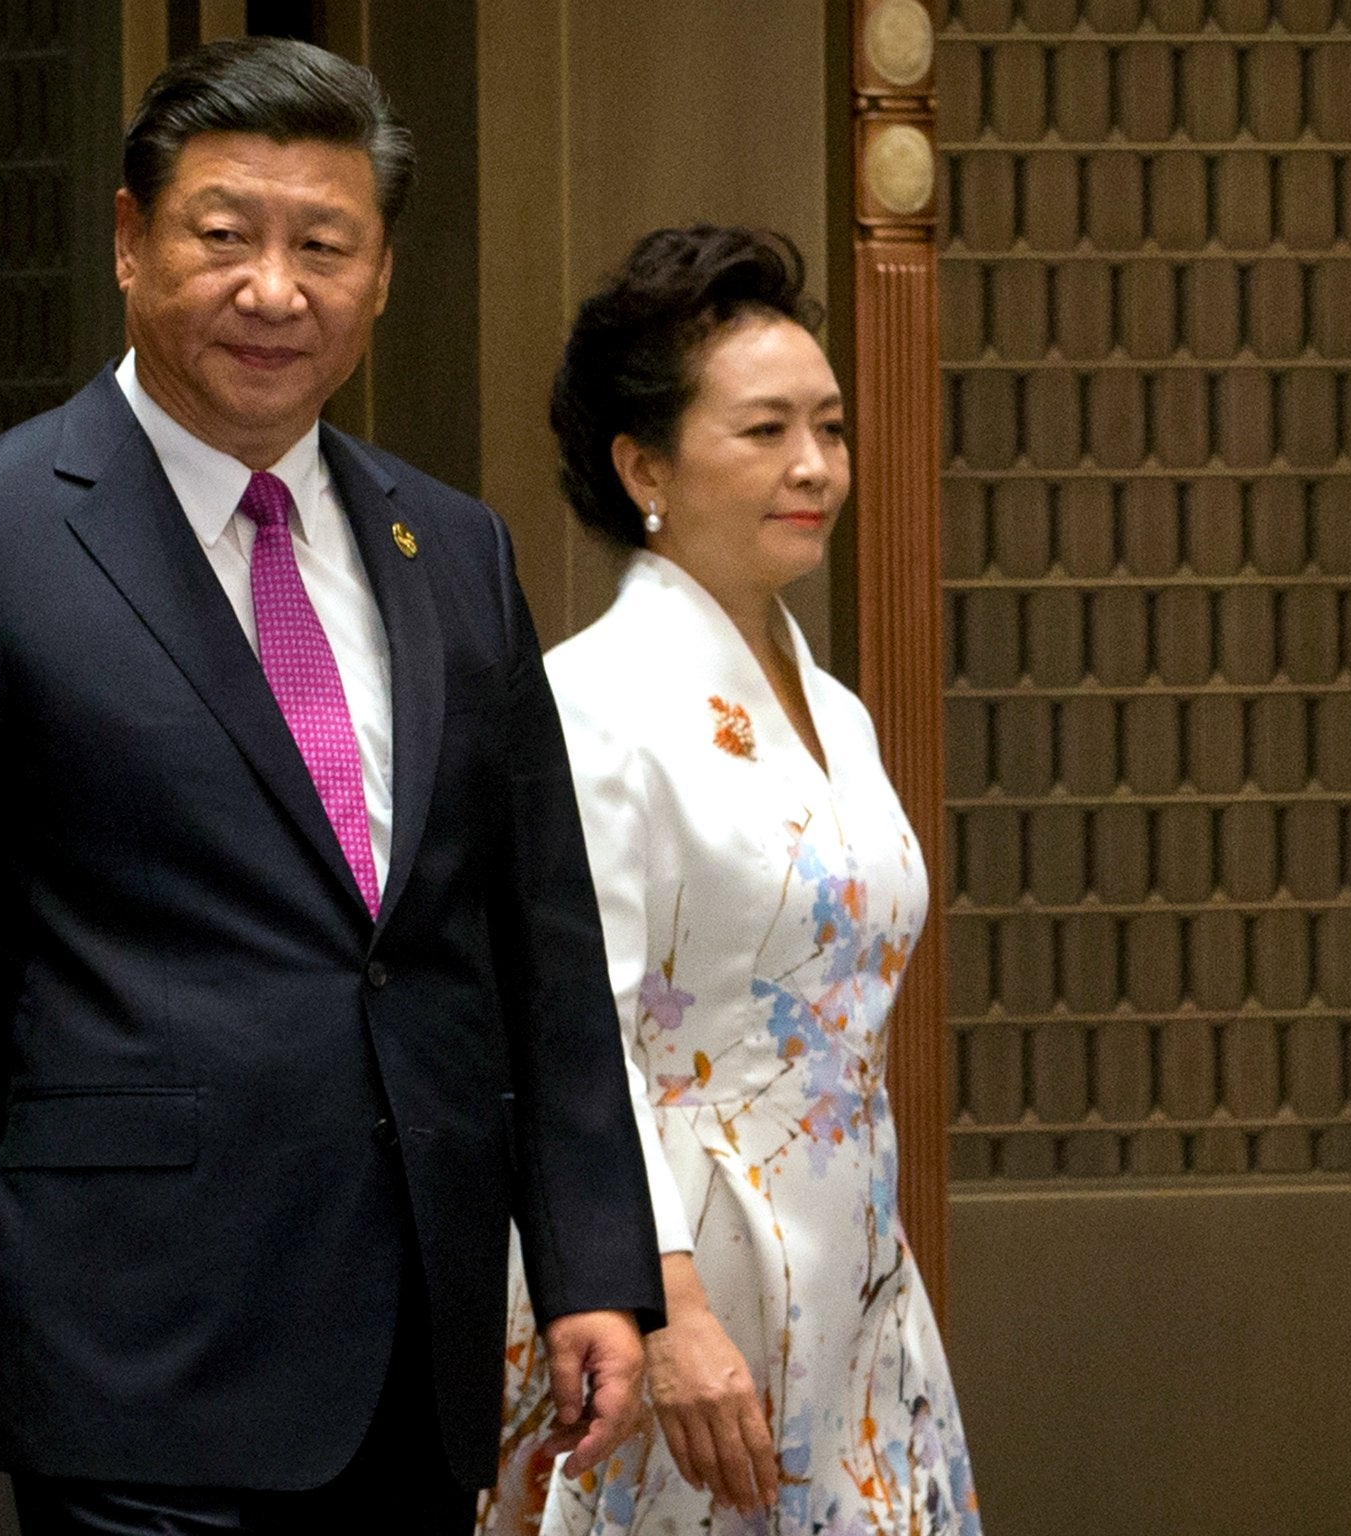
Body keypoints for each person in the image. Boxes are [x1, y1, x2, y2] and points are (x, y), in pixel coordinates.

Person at [0, 39, 662, 1536]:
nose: (275, 290)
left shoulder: (452, 548)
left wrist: (595, 1262)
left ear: (382, 275)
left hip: (417, 1339)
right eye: (225, 236)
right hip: (136, 1336)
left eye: (323, 246)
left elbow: (539, 942)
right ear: (131, 240)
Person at [480, 227, 981, 1535]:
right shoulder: (592, 705)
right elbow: (573, 1031)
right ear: (643, 464)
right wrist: (672, 1306)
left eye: (827, 427)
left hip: (853, 1254)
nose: (814, 466)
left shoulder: (835, 707)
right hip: (675, 1271)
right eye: (764, 432)